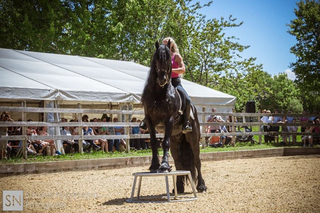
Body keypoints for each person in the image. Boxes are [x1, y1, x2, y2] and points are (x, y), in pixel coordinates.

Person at [140, 37, 192, 133]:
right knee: (149, 97)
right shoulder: (160, 56)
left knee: (187, 98)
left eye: (165, 44)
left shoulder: (176, 56)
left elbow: (183, 69)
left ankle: (186, 122)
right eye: (162, 44)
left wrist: (170, 70)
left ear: (171, 45)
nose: (163, 46)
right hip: (161, 83)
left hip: (174, 82)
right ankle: (146, 120)